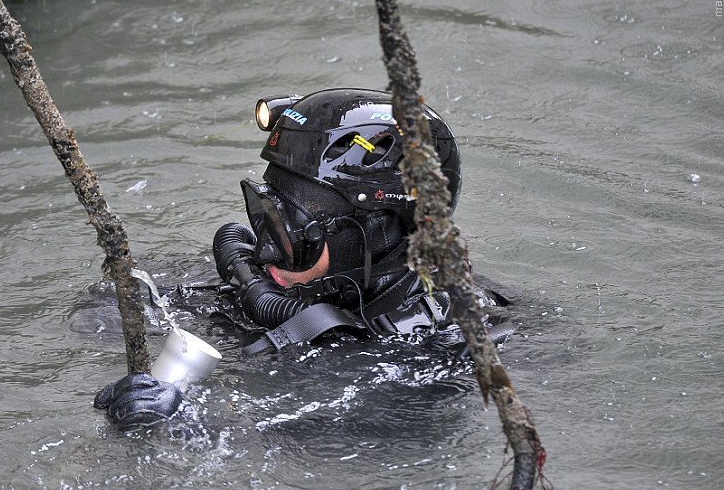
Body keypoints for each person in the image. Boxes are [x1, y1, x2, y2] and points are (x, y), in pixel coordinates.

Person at [94, 88, 511, 427]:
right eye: (265, 216)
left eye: (294, 232)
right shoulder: (264, 276)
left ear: (378, 232)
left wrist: (194, 423)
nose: (264, 250)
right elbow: (103, 305)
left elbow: (322, 440)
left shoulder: (450, 346)